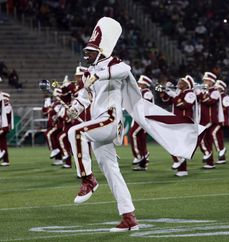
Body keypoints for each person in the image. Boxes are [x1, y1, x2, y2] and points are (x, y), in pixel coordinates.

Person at [67, 17, 204, 232]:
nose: (87, 55)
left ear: (102, 51)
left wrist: (97, 76)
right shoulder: (90, 72)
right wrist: (74, 107)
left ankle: (88, 180)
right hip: (99, 122)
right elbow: (84, 96)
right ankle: (129, 216)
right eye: (87, 51)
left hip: (111, 119)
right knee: (112, 172)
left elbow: (124, 70)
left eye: (91, 51)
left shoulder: (114, 64)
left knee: (76, 132)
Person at [159, 75, 197, 176]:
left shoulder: (190, 93)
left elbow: (184, 105)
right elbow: (166, 101)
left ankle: (180, 164)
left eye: (181, 82)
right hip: (177, 121)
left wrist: (174, 95)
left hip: (184, 121)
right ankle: (181, 168)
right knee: (173, 143)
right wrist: (164, 92)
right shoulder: (179, 93)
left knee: (176, 143)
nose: (178, 83)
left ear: (186, 84)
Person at [196, 72, 224, 169]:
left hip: (210, 119)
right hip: (202, 119)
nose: (204, 82)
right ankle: (210, 163)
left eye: (206, 80)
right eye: (204, 80)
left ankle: (210, 152)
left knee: (200, 136)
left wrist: (199, 93)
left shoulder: (215, 91)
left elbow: (209, 101)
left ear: (211, 82)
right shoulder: (204, 90)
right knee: (207, 141)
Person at [129, 75, 154, 171]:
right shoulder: (141, 92)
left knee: (133, 134)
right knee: (141, 140)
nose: (138, 84)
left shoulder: (147, 93)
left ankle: (138, 156)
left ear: (145, 84)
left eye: (140, 83)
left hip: (143, 118)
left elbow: (145, 105)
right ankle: (143, 163)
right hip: (139, 117)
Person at [0, 92, 13, 166]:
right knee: (3, 143)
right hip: (2, 127)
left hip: (5, 127)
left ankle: (1, 152)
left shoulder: (8, 107)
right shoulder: (4, 107)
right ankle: (6, 160)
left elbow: (2, 114)